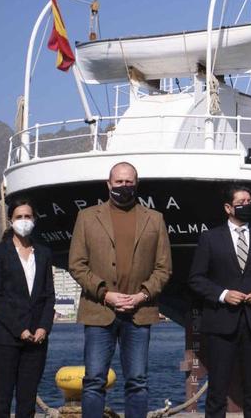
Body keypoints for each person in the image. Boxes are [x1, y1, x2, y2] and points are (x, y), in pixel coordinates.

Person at [68, 162, 172, 418]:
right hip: (99, 310)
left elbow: (164, 268)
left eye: (129, 182)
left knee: (137, 381)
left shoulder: (155, 219)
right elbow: (76, 265)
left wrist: (142, 295)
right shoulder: (87, 217)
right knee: (93, 380)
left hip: (139, 311)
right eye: (119, 182)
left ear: (136, 184)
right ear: (108, 184)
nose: (124, 186)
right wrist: (105, 293)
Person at [188, 185, 251, 418]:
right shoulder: (210, 238)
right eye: (241, 202)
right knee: (217, 390)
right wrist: (222, 294)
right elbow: (196, 278)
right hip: (221, 323)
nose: (247, 205)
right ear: (228, 207)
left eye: (250, 201)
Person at [0, 199, 55, 418]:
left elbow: (49, 295)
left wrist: (43, 327)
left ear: (34, 220)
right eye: (19, 217)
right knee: (1, 400)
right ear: (10, 220)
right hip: (5, 339)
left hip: (36, 341)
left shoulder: (43, 253)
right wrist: (20, 329)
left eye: (28, 216)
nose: (24, 221)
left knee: (27, 402)